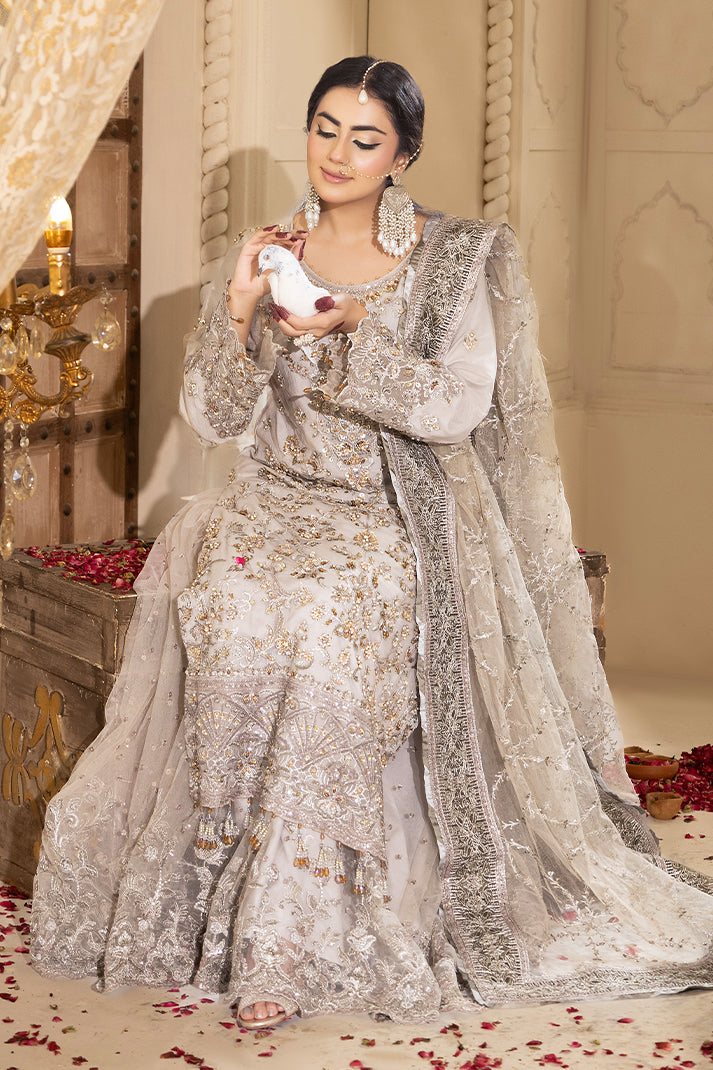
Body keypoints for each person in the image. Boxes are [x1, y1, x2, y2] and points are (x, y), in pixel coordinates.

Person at [30, 56, 713, 1028]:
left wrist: (355, 329)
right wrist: (236, 312)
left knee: (323, 631)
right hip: (269, 510)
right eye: (324, 128)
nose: (337, 153)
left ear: (401, 155)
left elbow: (455, 407)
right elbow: (214, 418)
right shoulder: (269, 252)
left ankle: (288, 938)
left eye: (364, 138)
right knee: (233, 611)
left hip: (392, 515)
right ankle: (219, 905)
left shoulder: (452, 259)